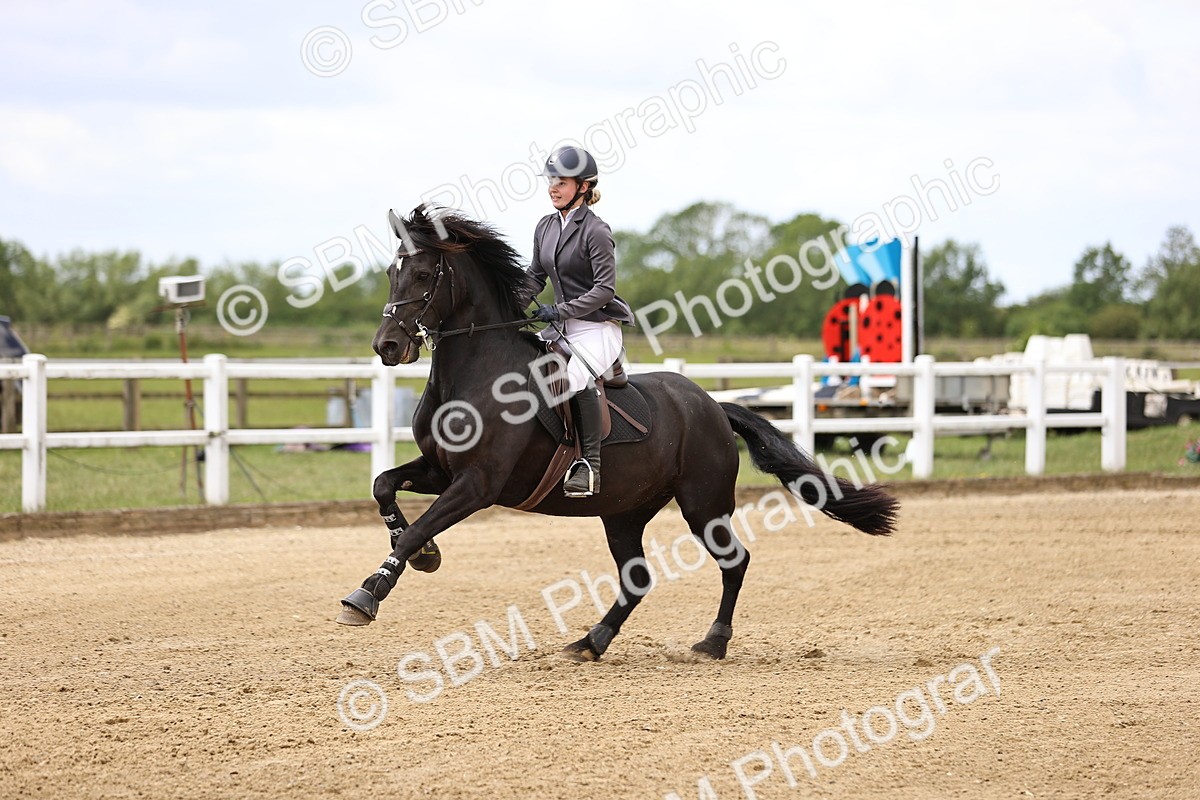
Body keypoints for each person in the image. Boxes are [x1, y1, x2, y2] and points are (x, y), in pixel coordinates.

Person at [520, 146, 635, 497]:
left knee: (575, 377)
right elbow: (534, 276)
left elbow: (604, 290)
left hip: (597, 328)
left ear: (583, 187)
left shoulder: (596, 231)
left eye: (562, 182)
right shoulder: (545, 226)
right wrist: (509, 308)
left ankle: (589, 467)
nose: (553, 187)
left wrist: (561, 310)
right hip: (562, 328)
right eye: (551, 180)